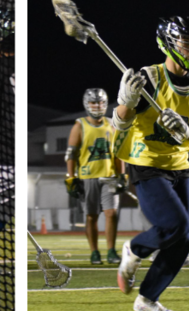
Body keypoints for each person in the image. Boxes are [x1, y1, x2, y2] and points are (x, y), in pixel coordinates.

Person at [114, 16, 189, 311]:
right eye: (186, 43)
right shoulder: (149, 78)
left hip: (179, 165)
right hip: (146, 162)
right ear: (168, 44)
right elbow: (119, 124)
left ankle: (147, 301)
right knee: (176, 225)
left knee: (183, 241)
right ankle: (134, 249)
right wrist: (127, 101)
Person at [64, 88, 124, 265]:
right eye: (93, 103)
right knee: (91, 216)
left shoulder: (112, 124)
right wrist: (71, 177)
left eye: (100, 102)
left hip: (109, 176)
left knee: (111, 213)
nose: (97, 106)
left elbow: (118, 153)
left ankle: (111, 251)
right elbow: (71, 154)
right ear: (86, 104)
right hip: (87, 177)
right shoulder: (79, 125)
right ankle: (94, 252)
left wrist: (122, 176)